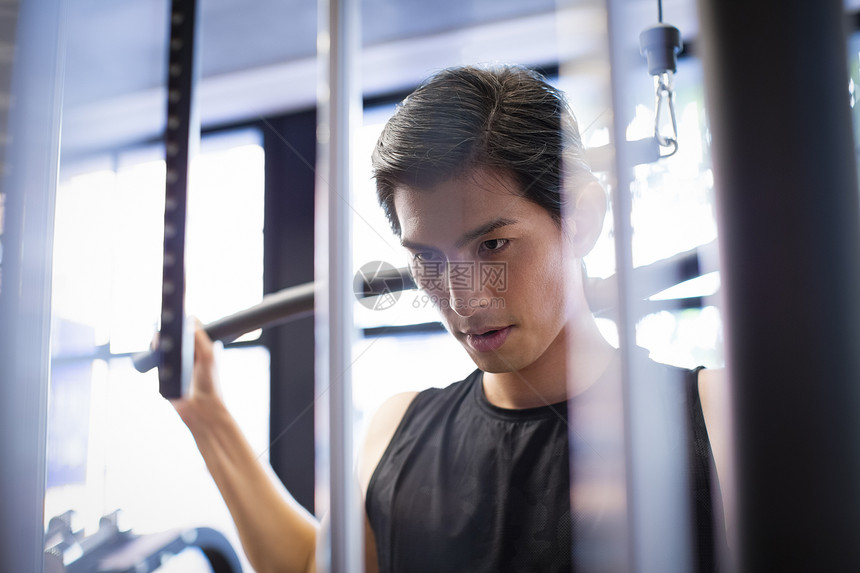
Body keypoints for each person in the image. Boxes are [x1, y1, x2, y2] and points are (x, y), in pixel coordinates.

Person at [172, 64, 724, 573]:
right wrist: (207, 417)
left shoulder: (714, 417)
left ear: (579, 219)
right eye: (428, 259)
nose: (464, 302)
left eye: (493, 244)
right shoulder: (395, 432)